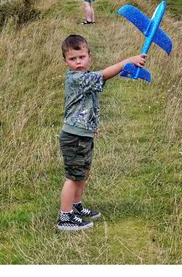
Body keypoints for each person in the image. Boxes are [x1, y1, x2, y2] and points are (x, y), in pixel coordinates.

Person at [57, 35, 147, 231]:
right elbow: (104, 75)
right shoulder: (76, 78)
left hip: (84, 134)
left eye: (81, 57)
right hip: (73, 136)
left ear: (89, 56)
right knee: (73, 176)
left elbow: (96, 86)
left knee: (83, 173)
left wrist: (91, 127)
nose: (78, 62)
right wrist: (127, 62)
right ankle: (64, 217)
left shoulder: (87, 76)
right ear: (65, 61)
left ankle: (75, 206)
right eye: (72, 59)